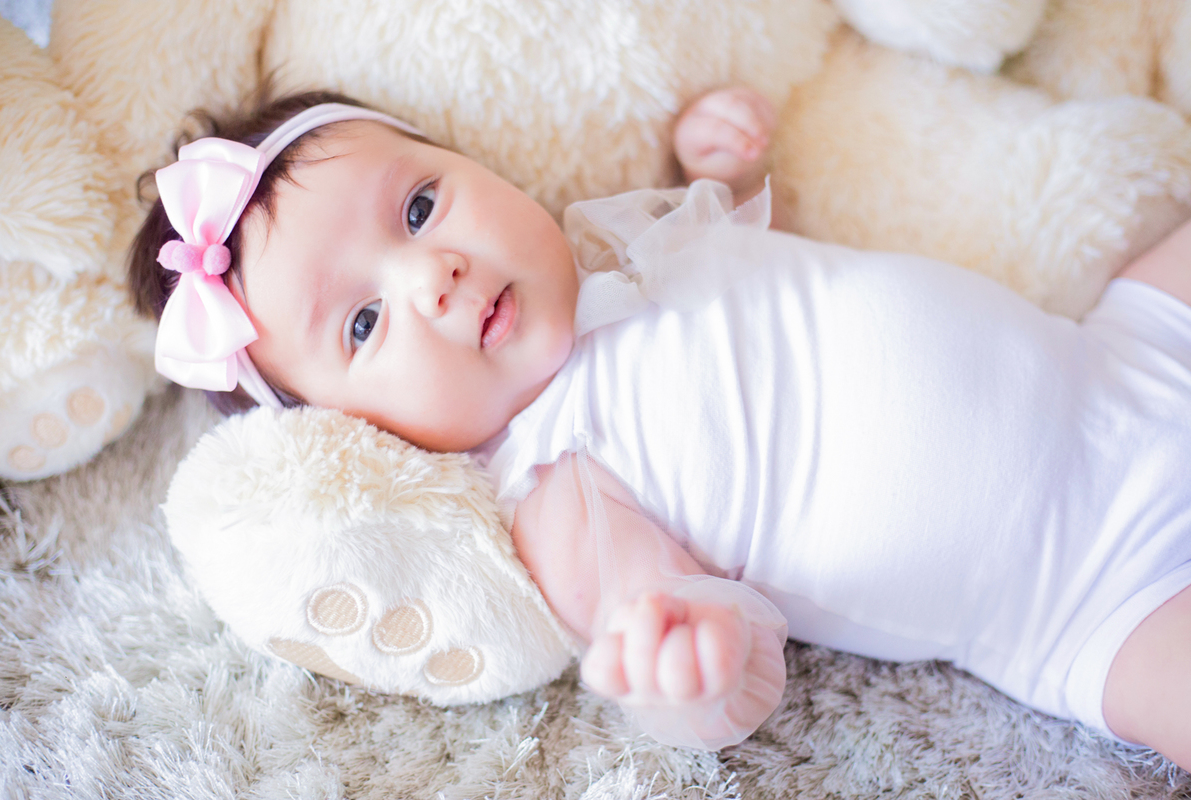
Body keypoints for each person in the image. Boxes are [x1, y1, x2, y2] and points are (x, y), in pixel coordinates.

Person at [128, 87, 1191, 764]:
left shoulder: (620, 249)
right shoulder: (557, 491)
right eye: (363, 322)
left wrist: (710, 167)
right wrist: (693, 664)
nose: (432, 272)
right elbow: (685, 634)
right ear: (363, 435)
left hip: (1130, 354)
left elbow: (732, 246)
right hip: (1090, 594)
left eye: (419, 207)